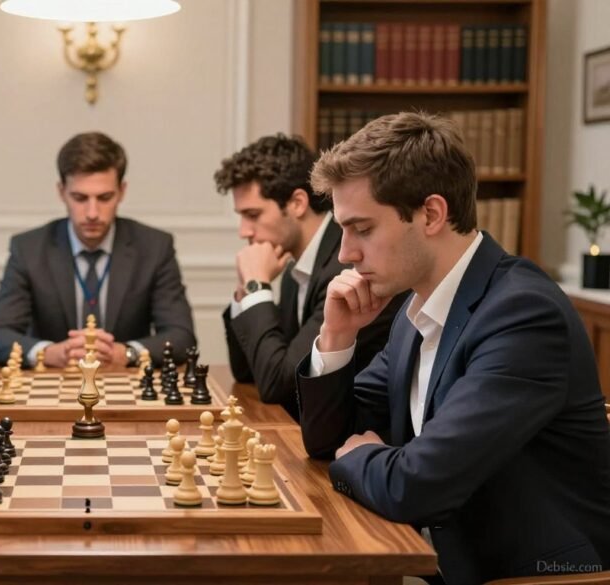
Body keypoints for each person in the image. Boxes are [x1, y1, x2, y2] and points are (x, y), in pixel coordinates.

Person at [298, 111, 610, 583]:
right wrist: (337, 338)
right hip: (436, 559)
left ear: (432, 214)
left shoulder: (523, 315)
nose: (345, 254)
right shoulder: (417, 308)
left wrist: (361, 456)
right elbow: (327, 441)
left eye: (362, 229)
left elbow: (417, 486)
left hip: (531, 574)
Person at [214, 134, 405, 421]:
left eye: (252, 215)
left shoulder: (346, 269)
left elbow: (279, 386)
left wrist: (258, 287)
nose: (244, 231)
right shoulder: (296, 267)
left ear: (297, 203)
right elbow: (248, 372)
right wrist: (247, 289)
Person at [0, 131, 196, 368]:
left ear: (122, 192)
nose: (93, 213)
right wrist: (50, 353)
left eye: (104, 197)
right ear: (61, 192)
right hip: (54, 387)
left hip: (126, 389)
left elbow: (182, 337)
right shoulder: (29, 249)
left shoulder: (155, 247)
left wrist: (126, 354)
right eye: (80, 197)